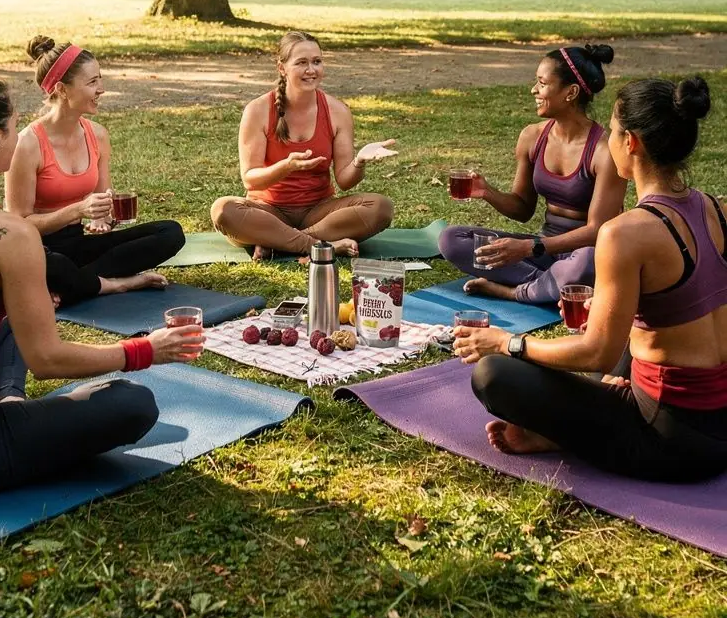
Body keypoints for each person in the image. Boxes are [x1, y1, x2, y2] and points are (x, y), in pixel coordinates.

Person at [0, 74, 204, 499]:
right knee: (133, 404)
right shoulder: (8, 232)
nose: (18, 131)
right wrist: (146, 350)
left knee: (10, 323)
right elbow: (46, 358)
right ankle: (9, 411)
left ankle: (9, 402)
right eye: (13, 124)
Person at [457, 76, 727, 484]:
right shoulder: (717, 209)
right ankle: (590, 416)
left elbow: (597, 352)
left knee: (493, 374)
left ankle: (565, 434)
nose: (608, 140)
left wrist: (508, 343)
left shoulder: (626, 233)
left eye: (614, 131)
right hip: (720, 418)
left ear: (631, 143)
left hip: (672, 440)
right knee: (622, 331)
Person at [438, 45, 626, 305]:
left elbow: (598, 231)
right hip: (544, 249)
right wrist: (487, 192)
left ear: (570, 93)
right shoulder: (532, 137)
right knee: (451, 239)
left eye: (542, 83)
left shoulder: (604, 151)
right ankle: (552, 287)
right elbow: (523, 208)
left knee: (584, 262)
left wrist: (529, 248)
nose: (533, 90)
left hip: (585, 252)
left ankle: (512, 291)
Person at [5, 37, 184, 307]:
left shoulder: (97, 135)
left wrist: (105, 219)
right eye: (92, 82)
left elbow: (104, 202)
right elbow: (18, 223)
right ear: (62, 90)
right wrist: (77, 210)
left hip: (78, 245)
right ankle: (116, 283)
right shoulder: (28, 144)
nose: (101, 89)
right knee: (56, 264)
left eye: (99, 79)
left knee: (170, 233)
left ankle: (71, 286)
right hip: (38, 248)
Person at [211, 30, 396, 258]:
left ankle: (279, 241)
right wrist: (286, 167)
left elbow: (345, 181)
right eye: (302, 62)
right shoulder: (257, 110)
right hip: (267, 210)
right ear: (282, 68)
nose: (311, 70)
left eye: (317, 62)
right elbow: (250, 180)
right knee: (223, 210)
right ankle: (318, 245)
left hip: (318, 211)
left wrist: (359, 161)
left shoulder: (337, 111)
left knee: (381, 207)